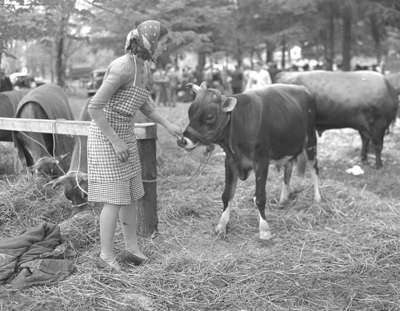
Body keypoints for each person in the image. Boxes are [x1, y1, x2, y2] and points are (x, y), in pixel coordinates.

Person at [87, 20, 181, 272]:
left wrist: (169, 125)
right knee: (114, 198)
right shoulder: (121, 67)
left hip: (125, 133)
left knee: (130, 195)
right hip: (106, 136)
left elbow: (146, 105)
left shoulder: (144, 68)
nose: (161, 48)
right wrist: (115, 141)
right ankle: (105, 255)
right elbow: (94, 108)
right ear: (147, 43)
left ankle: (132, 248)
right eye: (159, 42)